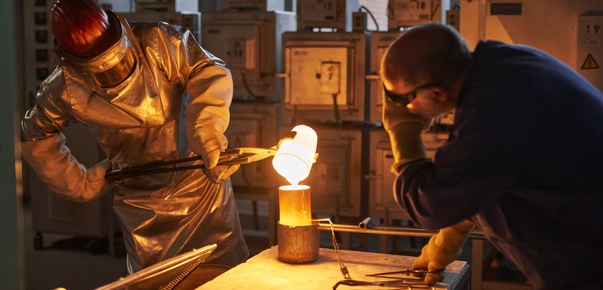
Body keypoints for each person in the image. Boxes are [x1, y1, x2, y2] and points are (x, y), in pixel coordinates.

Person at [21, 0, 249, 273]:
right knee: (155, 279)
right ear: (73, 64)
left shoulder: (159, 43)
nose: (116, 76)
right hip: (141, 201)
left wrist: (207, 131)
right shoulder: (65, 87)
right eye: (102, 72)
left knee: (224, 272)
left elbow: (207, 70)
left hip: (200, 181)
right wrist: (78, 183)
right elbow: (36, 134)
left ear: (122, 32)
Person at [380, 22, 603, 289]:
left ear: (437, 92)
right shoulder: (505, 64)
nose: (402, 107)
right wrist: (447, 240)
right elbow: (489, 175)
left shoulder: (492, 114)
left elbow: (428, 204)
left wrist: (402, 129)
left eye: (403, 100)